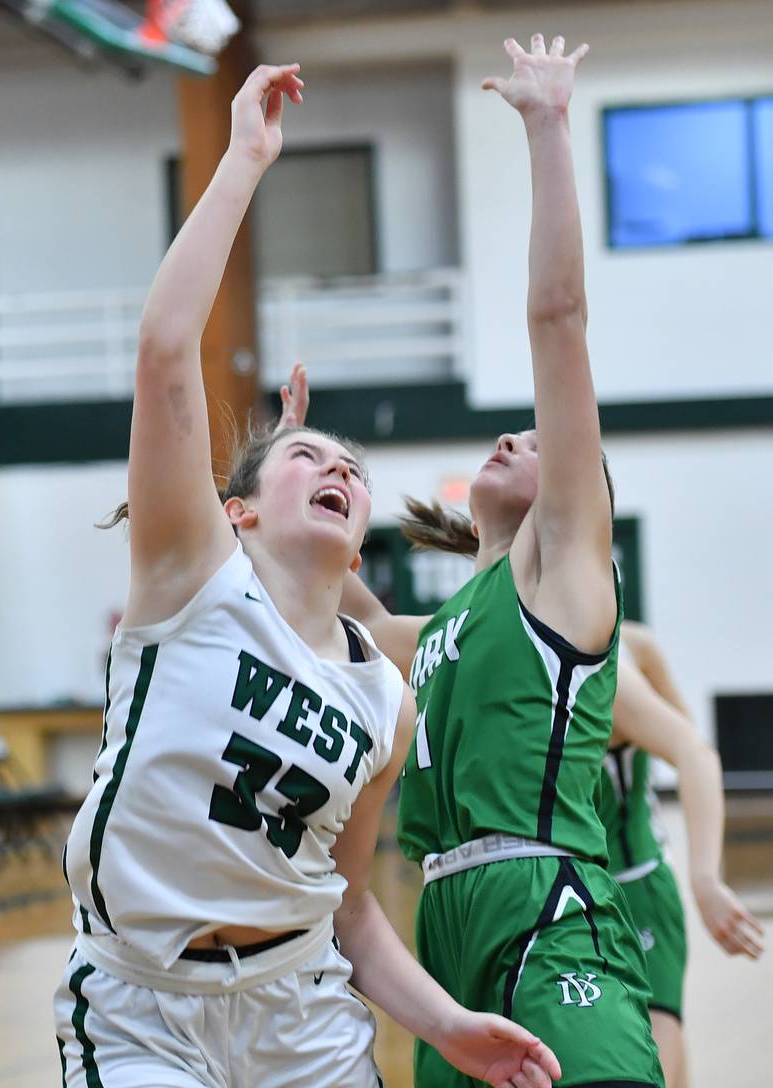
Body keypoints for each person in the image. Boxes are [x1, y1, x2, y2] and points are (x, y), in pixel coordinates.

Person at [52, 62, 562, 1088]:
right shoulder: (189, 577)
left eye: (351, 467)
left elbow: (351, 901)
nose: (336, 464)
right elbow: (163, 352)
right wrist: (245, 157)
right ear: (234, 510)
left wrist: (448, 1022)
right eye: (305, 455)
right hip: (141, 1004)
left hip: (302, 1008)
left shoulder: (383, 692)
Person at [296, 33, 664, 1088]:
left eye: (540, 439)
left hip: (546, 903)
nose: (513, 437)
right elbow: (333, 600)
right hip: (438, 929)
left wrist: (547, 129)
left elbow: (556, 319)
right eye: (508, 432)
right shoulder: (445, 625)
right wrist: (287, 468)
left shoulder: (564, 582)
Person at [603, 623, 764, 1088]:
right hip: (571, 893)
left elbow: (691, 751)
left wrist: (705, 877)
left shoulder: (634, 650)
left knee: (656, 1057)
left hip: (639, 884)